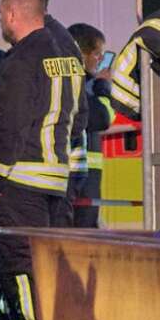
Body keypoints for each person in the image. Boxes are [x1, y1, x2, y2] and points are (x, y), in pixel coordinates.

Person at [0, 0, 82, 320]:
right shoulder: (66, 51)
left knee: (21, 267)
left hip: (22, 177)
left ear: (11, 15)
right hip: (57, 175)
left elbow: (9, 122)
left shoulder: (20, 60)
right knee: (50, 266)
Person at [66, 23, 114, 228]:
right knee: (81, 231)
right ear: (81, 54)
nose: (100, 60)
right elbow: (103, 119)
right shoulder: (82, 84)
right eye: (97, 54)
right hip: (79, 174)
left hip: (85, 172)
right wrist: (103, 88)